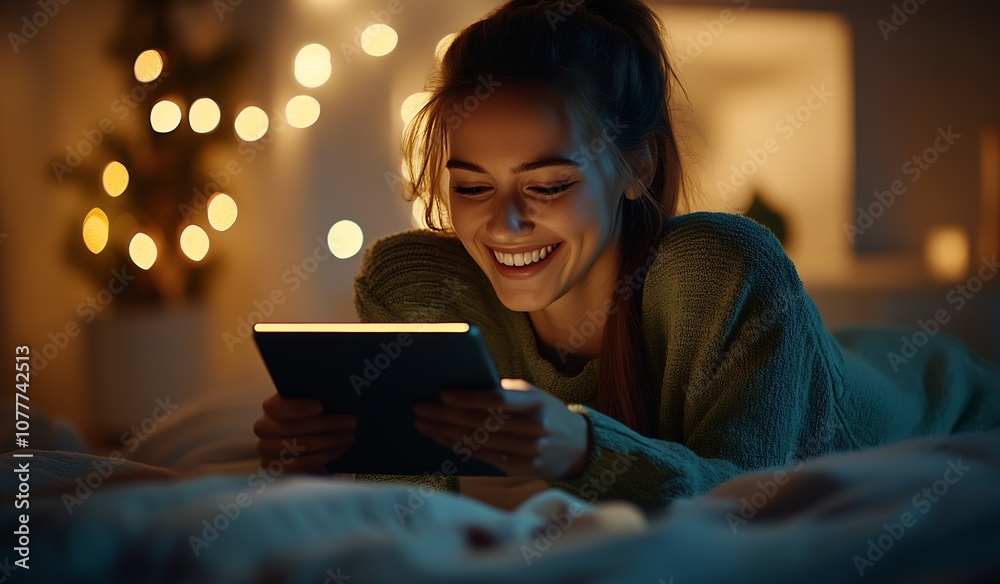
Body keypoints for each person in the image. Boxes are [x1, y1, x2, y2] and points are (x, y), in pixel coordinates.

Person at [254, 0, 1000, 512]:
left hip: (944, 395)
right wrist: (334, 456)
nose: (504, 223)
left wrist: (584, 449)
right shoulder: (420, 285)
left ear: (638, 166)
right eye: (472, 186)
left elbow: (749, 503)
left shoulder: (719, 269)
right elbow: (410, 512)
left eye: (549, 184)